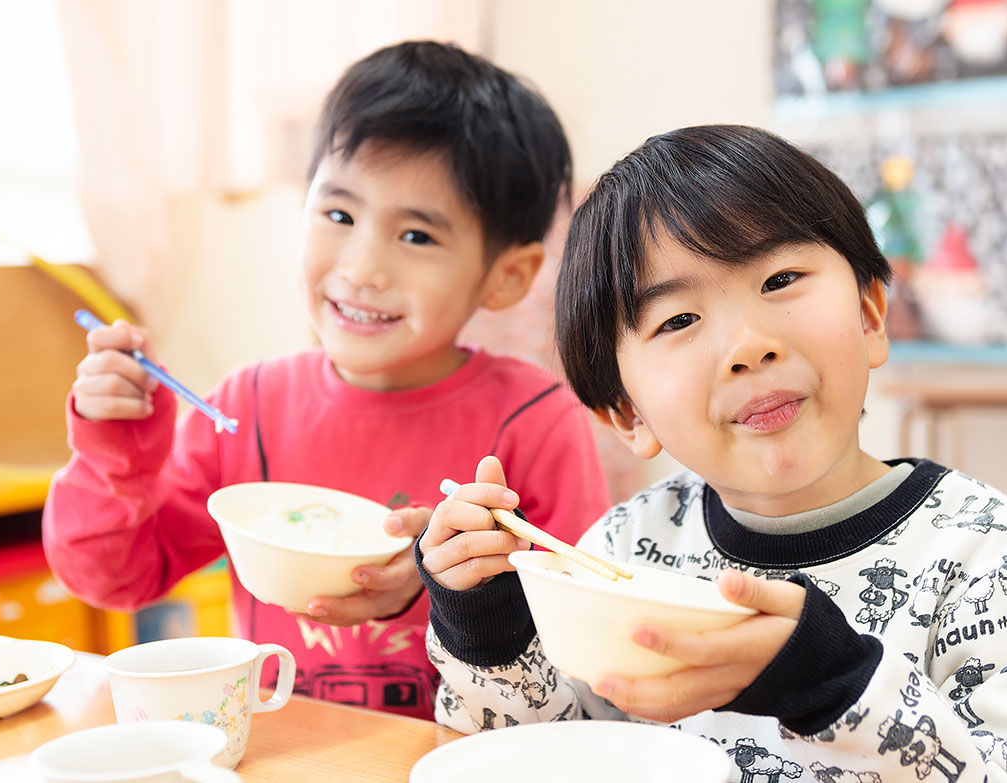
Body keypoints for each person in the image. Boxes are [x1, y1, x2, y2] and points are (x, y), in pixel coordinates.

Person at [418, 125, 1007, 781]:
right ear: (628, 411)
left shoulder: (992, 557)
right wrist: (487, 628)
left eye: (778, 280)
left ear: (869, 315)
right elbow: (545, 753)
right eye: (678, 319)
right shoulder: (625, 550)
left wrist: (834, 683)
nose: (749, 346)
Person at [42, 41, 611, 721]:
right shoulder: (246, 404)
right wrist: (115, 456)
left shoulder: (534, 419)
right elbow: (115, 577)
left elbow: (587, 638)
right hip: (286, 750)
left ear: (506, 275)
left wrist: (450, 583)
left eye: (418, 236)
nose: (362, 267)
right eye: (339, 216)